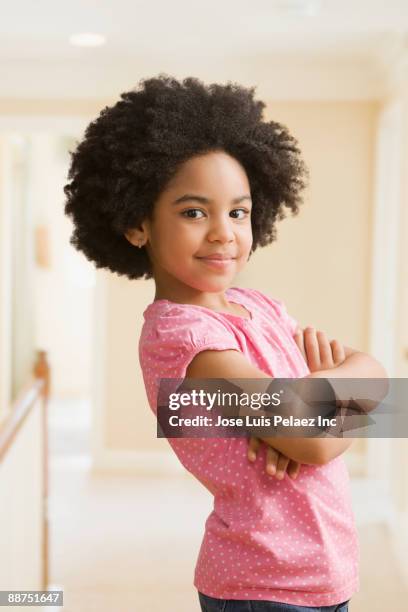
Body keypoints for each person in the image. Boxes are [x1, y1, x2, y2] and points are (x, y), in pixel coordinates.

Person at [63, 74, 387, 611]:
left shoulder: (259, 307)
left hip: (325, 573)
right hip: (264, 586)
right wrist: (362, 371)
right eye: (194, 212)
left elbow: (320, 424)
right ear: (136, 223)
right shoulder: (180, 338)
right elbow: (316, 435)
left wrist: (317, 409)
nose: (223, 233)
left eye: (238, 211)